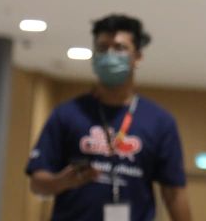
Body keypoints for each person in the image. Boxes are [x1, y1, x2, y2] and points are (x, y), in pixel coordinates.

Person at [26, 14, 192, 221]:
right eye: (102, 48)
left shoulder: (159, 122)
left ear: (137, 57)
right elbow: (37, 183)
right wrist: (63, 181)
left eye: (120, 48)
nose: (110, 55)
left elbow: (174, 193)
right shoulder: (67, 114)